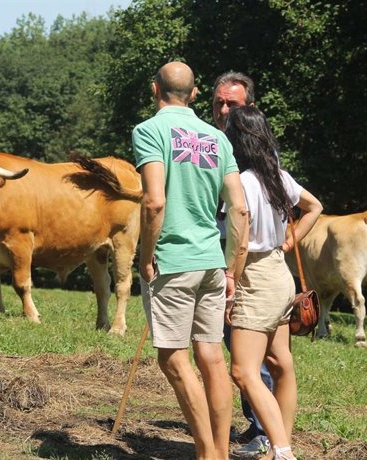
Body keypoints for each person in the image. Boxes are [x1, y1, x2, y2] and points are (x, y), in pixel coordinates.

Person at [134, 61, 249, 459]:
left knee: (173, 359)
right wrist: (232, 267)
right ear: (197, 93)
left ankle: (207, 454)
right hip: (212, 262)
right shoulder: (219, 139)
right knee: (213, 356)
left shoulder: (149, 131)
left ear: (155, 90)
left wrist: (145, 257)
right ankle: (220, 449)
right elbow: (238, 210)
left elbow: (154, 201)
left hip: (173, 260)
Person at [224, 106, 322, 460]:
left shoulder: (243, 182)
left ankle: (282, 452)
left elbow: (240, 240)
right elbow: (314, 207)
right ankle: (280, 447)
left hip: (255, 276)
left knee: (243, 371)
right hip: (281, 275)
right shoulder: (278, 176)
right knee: (281, 364)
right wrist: (289, 242)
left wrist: (230, 278)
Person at [213, 70, 275, 458]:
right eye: (218, 102)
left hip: (248, 260)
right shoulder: (212, 141)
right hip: (221, 253)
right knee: (238, 346)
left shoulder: (251, 151)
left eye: (231, 104)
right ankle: (264, 425)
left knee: (249, 354)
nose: (222, 110)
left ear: (248, 107)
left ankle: (266, 431)